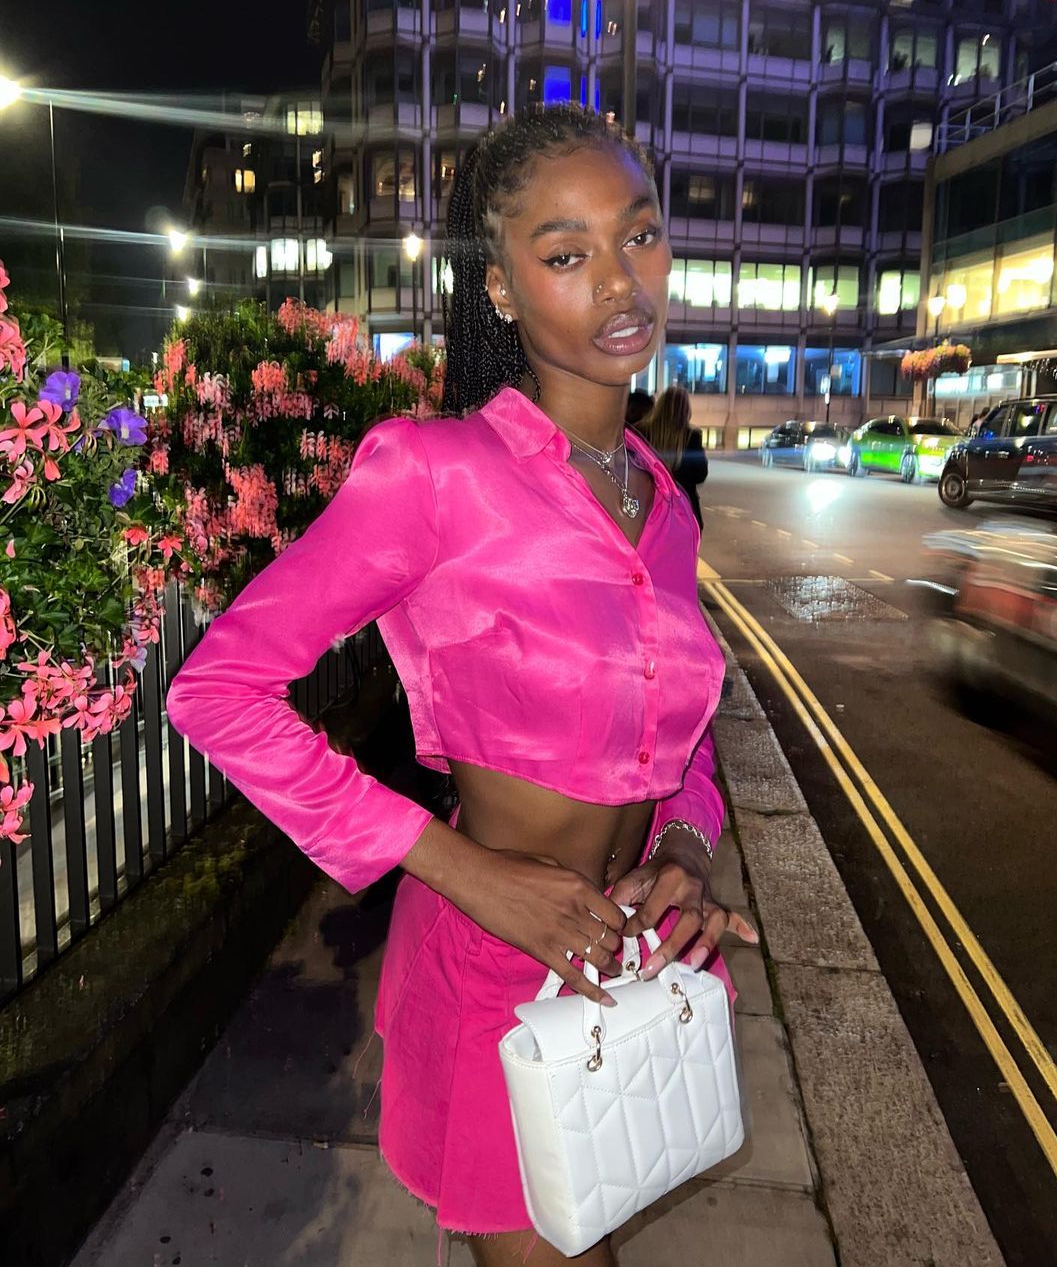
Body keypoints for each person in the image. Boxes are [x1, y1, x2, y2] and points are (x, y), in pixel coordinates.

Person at [166, 103, 756, 1267]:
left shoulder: (663, 505)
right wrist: (462, 869)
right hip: (497, 971)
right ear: (500, 287)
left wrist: (686, 849)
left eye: (639, 235)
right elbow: (217, 690)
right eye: (566, 254)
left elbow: (681, 739)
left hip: (628, 962)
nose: (621, 281)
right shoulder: (436, 475)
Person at [637, 385, 709, 529]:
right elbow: (700, 475)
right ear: (686, 410)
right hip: (684, 510)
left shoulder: (642, 431)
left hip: (650, 510)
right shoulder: (691, 437)